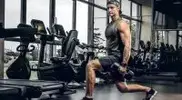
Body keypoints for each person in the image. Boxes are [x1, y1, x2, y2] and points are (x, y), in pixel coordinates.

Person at [82, 0, 157, 100]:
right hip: (112, 57)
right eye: (108, 8)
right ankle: (149, 90)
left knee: (90, 65)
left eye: (112, 7)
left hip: (116, 57)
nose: (109, 10)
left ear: (118, 9)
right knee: (123, 88)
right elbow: (112, 42)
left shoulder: (121, 24)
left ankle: (88, 97)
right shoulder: (110, 25)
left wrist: (124, 64)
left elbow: (127, 45)